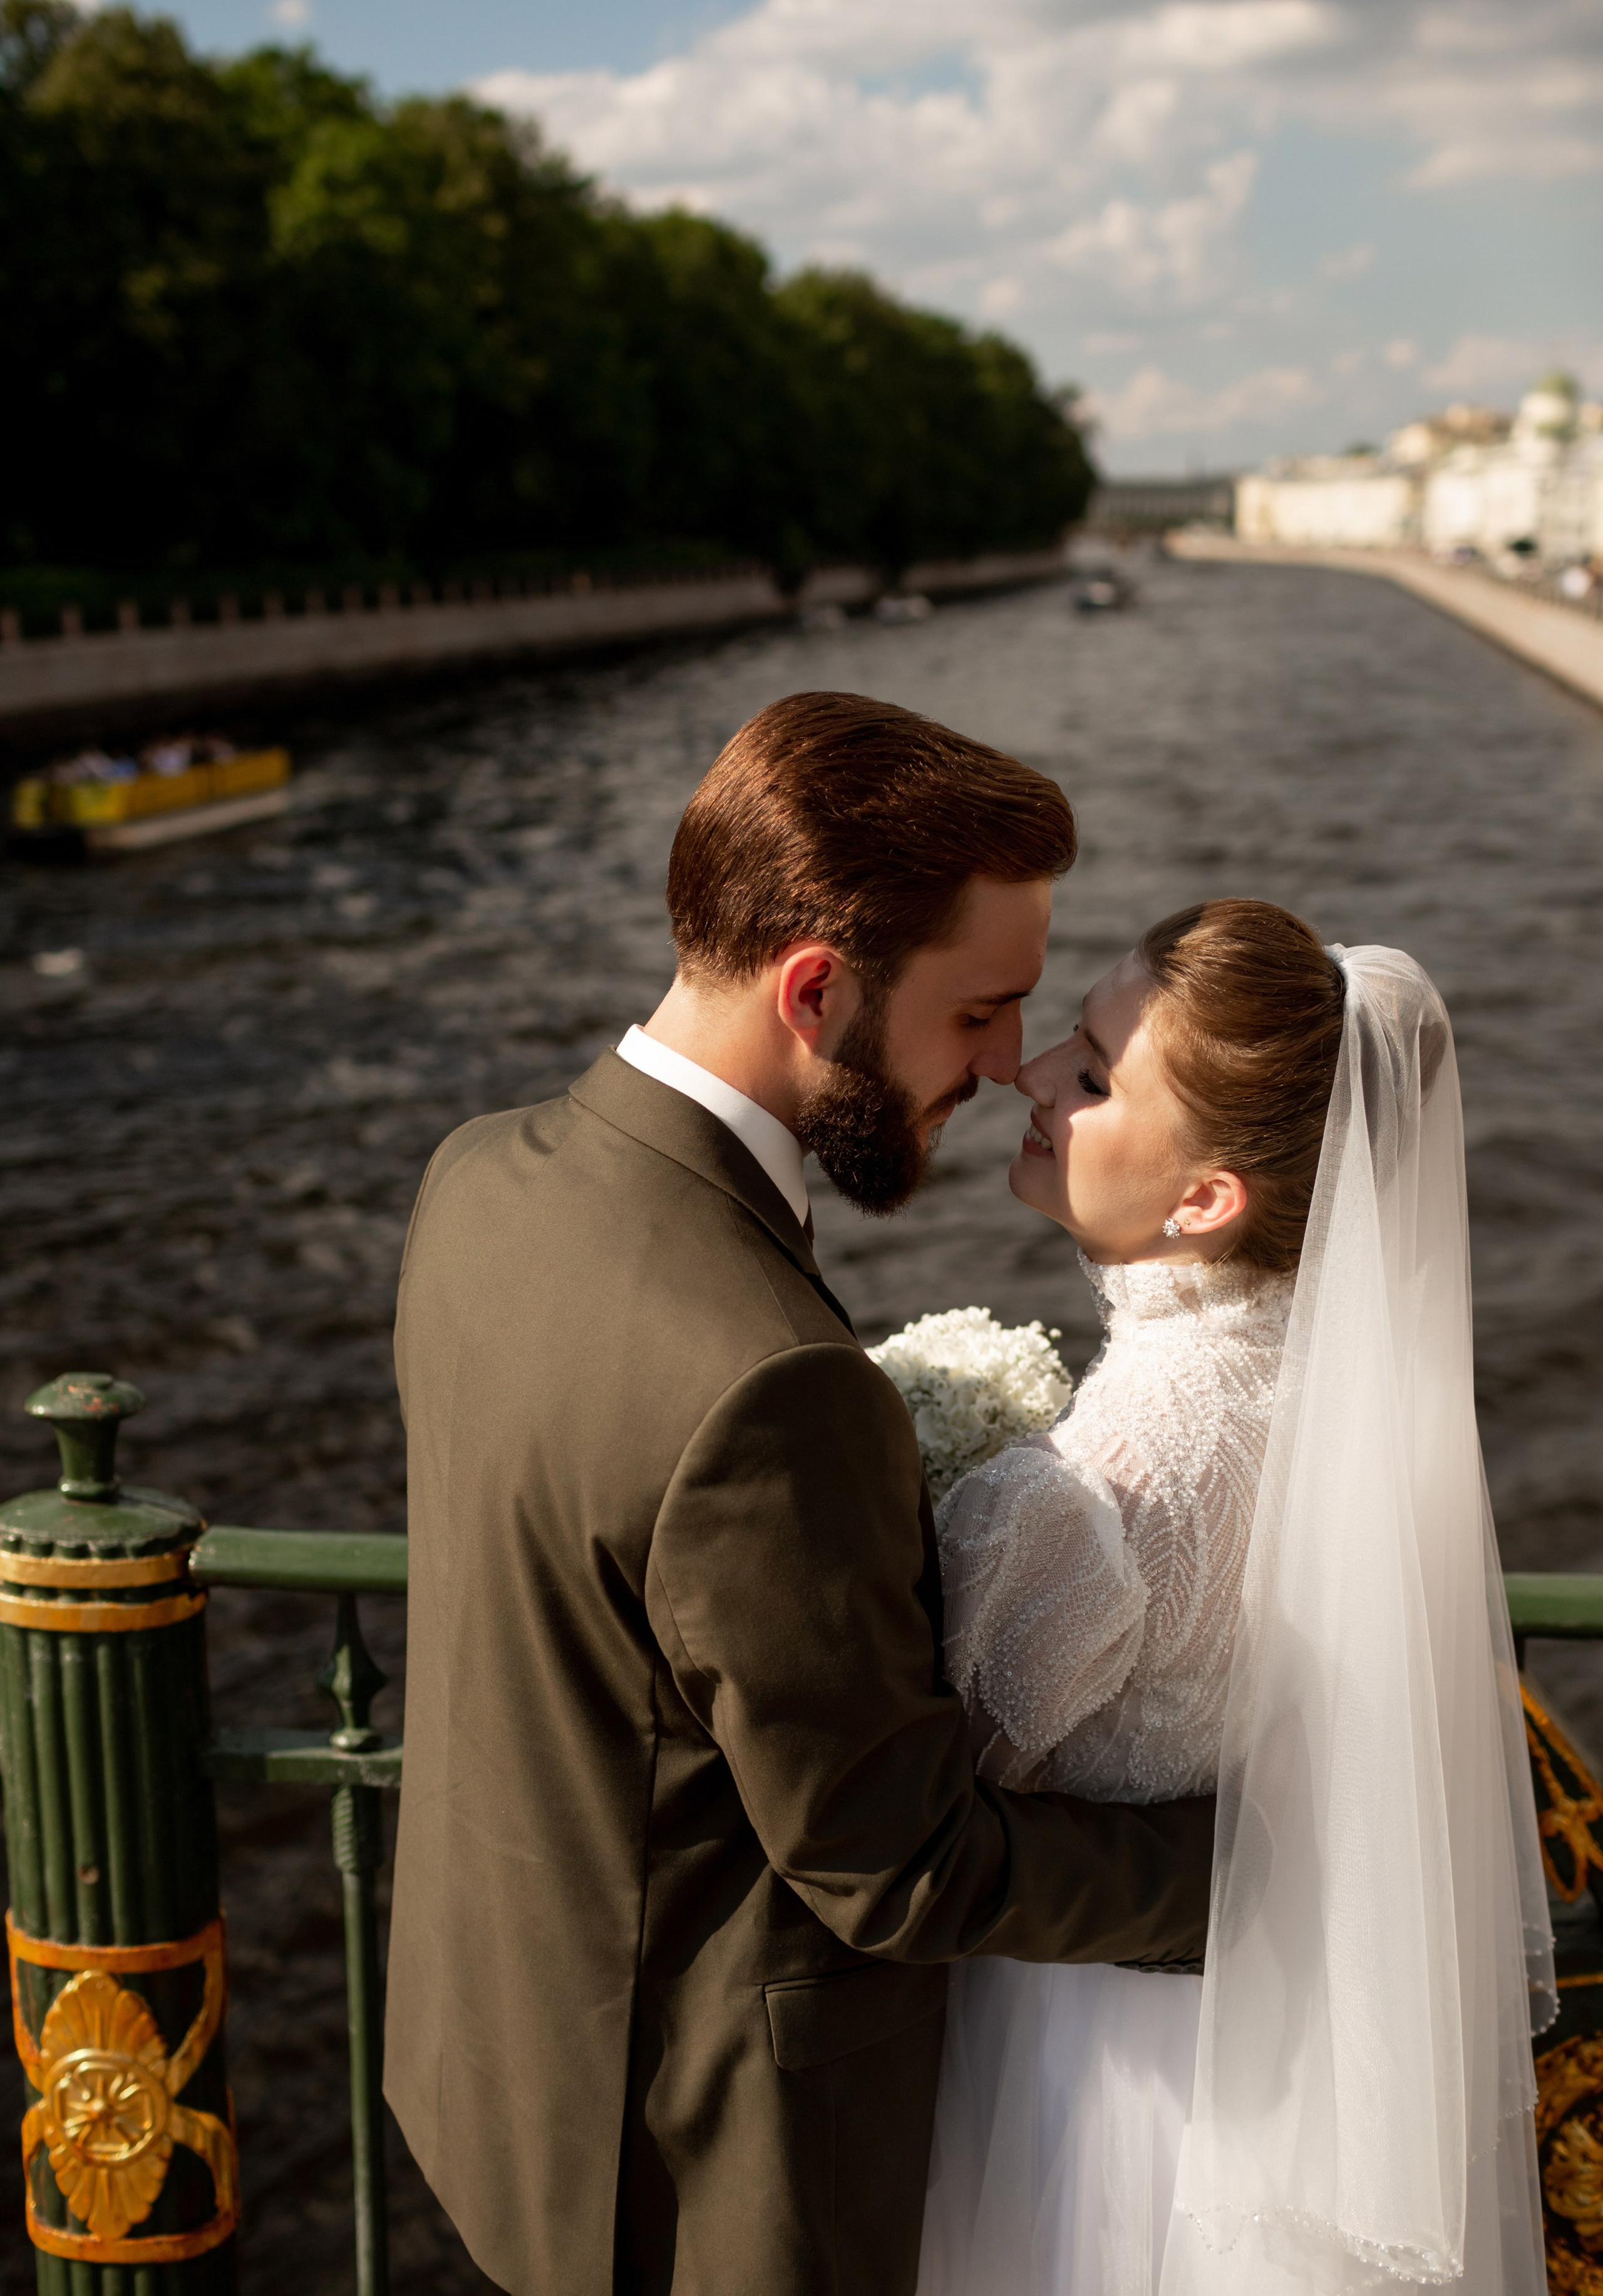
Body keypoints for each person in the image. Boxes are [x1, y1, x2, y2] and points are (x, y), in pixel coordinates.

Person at [384, 692, 1218, 2296]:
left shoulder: (476, 1177)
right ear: (817, 989)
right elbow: (892, 1865)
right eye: (980, 1012)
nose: (1003, 1068)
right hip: (697, 2179)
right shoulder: (770, 1383)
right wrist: (1257, 1868)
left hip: (493, 2076)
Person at [917, 901, 1553, 2296]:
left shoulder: (1096, 1486)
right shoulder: (1343, 1410)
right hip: (1274, 2064)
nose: (1027, 1079)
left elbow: (921, 1796)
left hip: (1086, 2082)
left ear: (1205, 1199)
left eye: (1087, 1075)